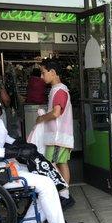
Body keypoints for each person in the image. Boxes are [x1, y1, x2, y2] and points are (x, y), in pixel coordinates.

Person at [0, 85, 82, 223]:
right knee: (46, 183)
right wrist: (14, 152)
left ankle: (32, 221)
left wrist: (22, 145)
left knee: (48, 176)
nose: (0, 103)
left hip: (3, 166)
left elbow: (7, 139)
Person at [36, 59, 75, 208]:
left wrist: (41, 118)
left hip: (57, 136)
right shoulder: (59, 90)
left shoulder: (59, 90)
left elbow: (56, 113)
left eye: (43, 72)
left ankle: (63, 196)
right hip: (59, 136)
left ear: (52, 73)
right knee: (61, 163)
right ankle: (64, 195)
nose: (41, 76)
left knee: (51, 165)